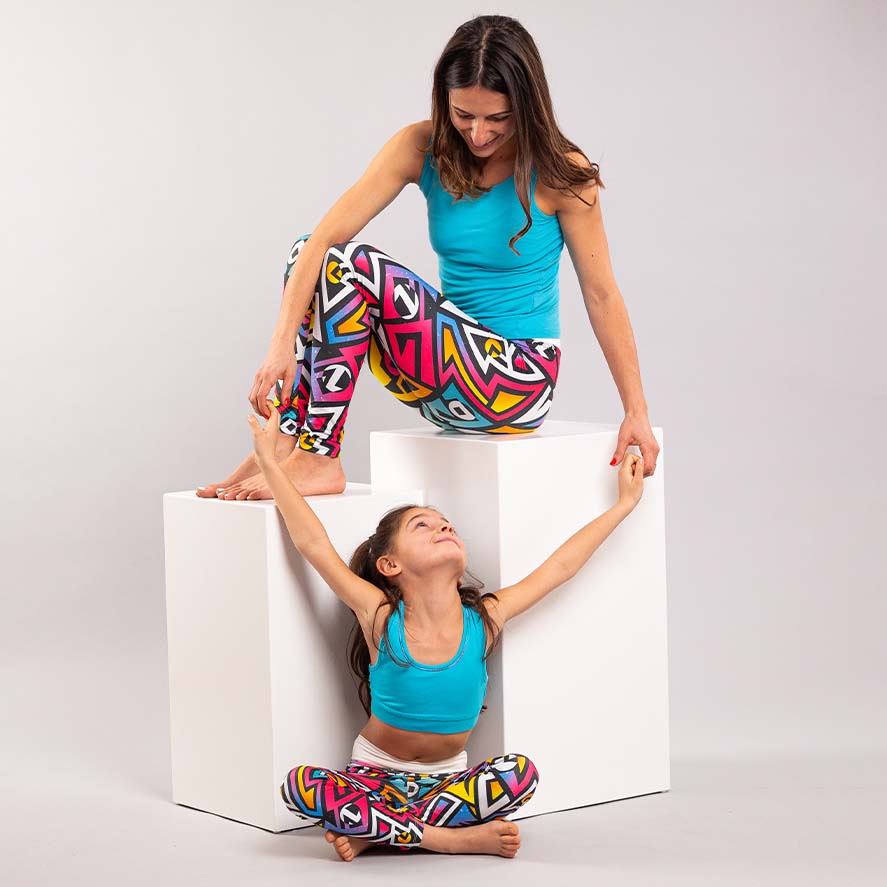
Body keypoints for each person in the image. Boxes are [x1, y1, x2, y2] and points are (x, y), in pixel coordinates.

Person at [196, 13, 659, 503]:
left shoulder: (563, 173)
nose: (478, 134)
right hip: (438, 386)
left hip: (516, 383)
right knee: (309, 252)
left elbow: (602, 294)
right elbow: (324, 239)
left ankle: (318, 456)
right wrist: (279, 347)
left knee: (352, 265)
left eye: (498, 118)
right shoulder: (423, 146)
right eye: (464, 115)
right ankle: (289, 439)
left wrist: (636, 411)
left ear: (527, 106)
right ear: (444, 100)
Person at [246, 404, 645, 860]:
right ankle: (443, 839)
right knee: (299, 785)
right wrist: (269, 463)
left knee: (521, 774)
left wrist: (624, 504)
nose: (443, 527)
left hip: (446, 788)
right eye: (423, 526)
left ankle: (379, 829)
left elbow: (561, 566)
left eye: (446, 524)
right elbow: (313, 543)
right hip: (370, 780)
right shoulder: (380, 616)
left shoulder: (485, 619)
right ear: (390, 565)